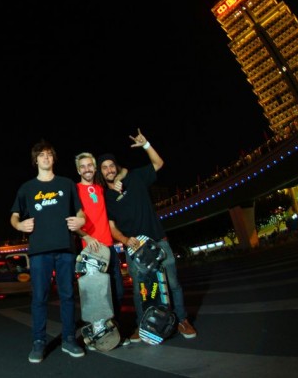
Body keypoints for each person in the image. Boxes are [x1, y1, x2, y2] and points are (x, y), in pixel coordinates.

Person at [95, 128, 197, 343]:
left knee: (173, 283)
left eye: (111, 165)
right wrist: (125, 241)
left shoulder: (136, 178)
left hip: (158, 240)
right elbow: (112, 227)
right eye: (104, 168)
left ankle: (182, 320)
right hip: (134, 248)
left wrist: (146, 145)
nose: (109, 169)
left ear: (117, 166)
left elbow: (158, 164)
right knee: (141, 289)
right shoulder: (105, 198)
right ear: (101, 173)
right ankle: (142, 325)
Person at [10, 139, 86, 363]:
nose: (45, 158)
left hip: (65, 249)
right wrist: (19, 225)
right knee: (40, 298)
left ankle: (69, 339)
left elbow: (80, 212)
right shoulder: (27, 188)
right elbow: (14, 215)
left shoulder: (66, 184)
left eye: (49, 155)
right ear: (35, 160)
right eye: (41, 155)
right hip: (39, 251)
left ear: (53, 159)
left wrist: (80, 221)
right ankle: (39, 341)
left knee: (68, 296)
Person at [73, 152, 127, 344]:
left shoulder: (101, 188)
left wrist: (119, 178)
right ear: (78, 170)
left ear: (94, 168)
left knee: (117, 291)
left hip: (109, 247)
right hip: (92, 250)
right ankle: (99, 332)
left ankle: (115, 329)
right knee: (97, 295)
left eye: (90, 165)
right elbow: (72, 222)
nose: (87, 169)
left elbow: (124, 171)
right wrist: (86, 236)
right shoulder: (75, 190)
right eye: (83, 166)